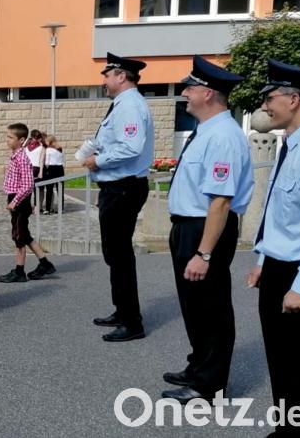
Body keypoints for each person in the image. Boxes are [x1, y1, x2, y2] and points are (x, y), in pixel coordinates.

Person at [162, 55, 253, 403]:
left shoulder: (224, 137)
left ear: (209, 93)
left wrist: (204, 252)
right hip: (188, 225)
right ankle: (198, 365)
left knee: (210, 307)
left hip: (206, 229)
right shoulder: (206, 132)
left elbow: (220, 202)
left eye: (190, 87)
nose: (185, 92)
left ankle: (209, 384)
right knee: (194, 305)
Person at [246, 59, 300, 437]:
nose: (264, 107)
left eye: (269, 98)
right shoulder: (291, 142)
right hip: (279, 266)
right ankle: (289, 427)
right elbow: (281, 211)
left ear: (294, 99)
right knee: (281, 359)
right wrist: (263, 257)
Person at [84, 52, 154, 342]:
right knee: (114, 254)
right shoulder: (122, 104)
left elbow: (130, 147)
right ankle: (122, 310)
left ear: (121, 76)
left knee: (120, 256)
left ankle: (131, 321)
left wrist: (98, 162)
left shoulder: (130, 106)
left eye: (107, 74)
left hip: (124, 186)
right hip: (117, 186)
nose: (104, 79)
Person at [0, 123, 57, 284]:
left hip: (19, 201)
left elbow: (27, 185)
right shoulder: (15, 156)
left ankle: (19, 271)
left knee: (19, 237)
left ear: (21, 139)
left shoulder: (22, 158)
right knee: (24, 235)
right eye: (7, 136)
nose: (7, 140)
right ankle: (45, 264)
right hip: (16, 200)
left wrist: (15, 202)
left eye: (11, 137)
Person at [42, 133, 65, 214]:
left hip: (51, 169)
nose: (45, 142)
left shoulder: (48, 149)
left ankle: (47, 209)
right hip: (60, 169)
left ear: (49, 141)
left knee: (49, 189)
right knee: (60, 189)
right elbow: (63, 160)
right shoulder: (60, 148)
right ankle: (60, 209)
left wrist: (46, 169)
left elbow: (47, 162)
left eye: (46, 141)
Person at [26, 129, 46, 213]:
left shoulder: (27, 146)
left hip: (31, 168)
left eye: (39, 138)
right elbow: (41, 161)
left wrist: (41, 171)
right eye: (37, 138)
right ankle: (35, 207)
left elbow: (41, 160)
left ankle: (34, 207)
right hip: (33, 168)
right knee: (33, 189)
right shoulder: (40, 147)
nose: (38, 139)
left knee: (32, 189)